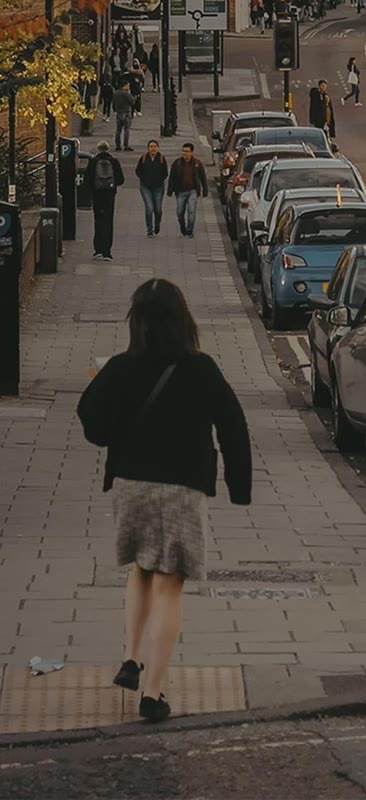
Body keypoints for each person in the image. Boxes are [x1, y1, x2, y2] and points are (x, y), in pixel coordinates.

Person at [77, 278, 252, 724]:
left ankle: (131, 658)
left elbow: (92, 424)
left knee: (141, 567)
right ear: (182, 319)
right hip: (181, 487)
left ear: (137, 322)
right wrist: (240, 485)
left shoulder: (119, 367)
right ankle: (152, 694)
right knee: (170, 583)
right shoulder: (201, 368)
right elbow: (233, 424)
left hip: (131, 485)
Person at [84, 141, 125, 259]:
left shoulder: (93, 162)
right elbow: (121, 180)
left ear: (98, 149)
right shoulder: (114, 161)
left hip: (97, 195)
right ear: (108, 149)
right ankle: (107, 251)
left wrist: (93, 188)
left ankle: (98, 250)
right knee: (108, 221)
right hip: (109, 195)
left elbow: (87, 180)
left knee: (98, 221)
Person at [167, 143, 209, 239]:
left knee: (191, 210)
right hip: (180, 191)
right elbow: (172, 177)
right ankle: (183, 226)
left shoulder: (197, 163)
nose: (185, 153)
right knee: (180, 211)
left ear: (191, 152)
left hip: (192, 191)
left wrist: (205, 189)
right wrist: (170, 190)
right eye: (183, 151)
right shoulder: (177, 163)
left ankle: (190, 230)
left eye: (187, 151)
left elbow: (203, 177)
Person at [136, 140, 168, 237]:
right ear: (148, 148)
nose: (153, 148)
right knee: (149, 208)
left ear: (158, 148)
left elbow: (165, 173)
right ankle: (149, 230)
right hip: (146, 187)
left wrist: (159, 180)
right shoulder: (144, 158)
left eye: (155, 146)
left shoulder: (161, 159)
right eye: (151, 146)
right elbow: (138, 170)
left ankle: (157, 224)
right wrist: (144, 179)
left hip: (158, 187)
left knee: (158, 209)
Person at [309, 79, 337, 143]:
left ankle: (326, 142)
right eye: (323, 85)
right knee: (321, 134)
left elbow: (328, 107)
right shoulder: (316, 95)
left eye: (325, 86)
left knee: (326, 133)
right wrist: (325, 102)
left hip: (327, 118)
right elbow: (317, 106)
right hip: (319, 119)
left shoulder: (325, 95)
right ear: (319, 86)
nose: (324, 87)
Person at [113, 77, 135, 152]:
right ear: (124, 85)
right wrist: (129, 93)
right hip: (126, 112)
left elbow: (113, 103)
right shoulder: (126, 93)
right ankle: (126, 145)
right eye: (128, 85)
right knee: (126, 129)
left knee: (118, 130)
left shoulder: (116, 93)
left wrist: (115, 110)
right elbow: (132, 101)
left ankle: (118, 145)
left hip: (119, 113)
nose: (128, 87)